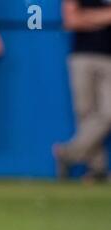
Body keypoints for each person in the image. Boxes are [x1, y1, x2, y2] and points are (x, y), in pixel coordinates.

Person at [53, 0, 111, 182]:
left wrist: (86, 17)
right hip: (82, 56)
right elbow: (71, 20)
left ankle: (68, 154)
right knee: (85, 113)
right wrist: (104, 17)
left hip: (108, 57)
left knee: (107, 113)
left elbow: (79, 18)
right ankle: (97, 170)